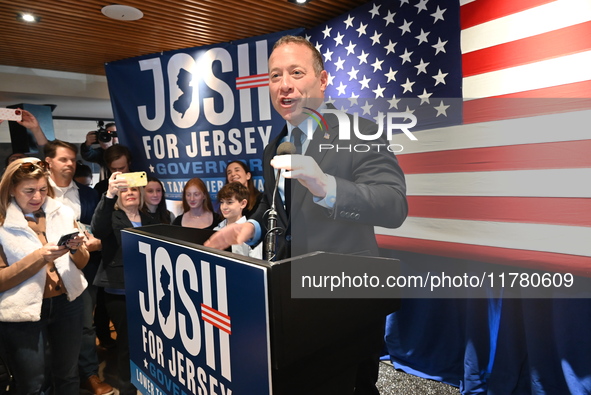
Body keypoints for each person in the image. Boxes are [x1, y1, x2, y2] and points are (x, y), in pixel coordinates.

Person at [205, 35, 408, 394]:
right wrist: (250, 227)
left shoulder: (360, 131)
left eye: (296, 73)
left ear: (322, 80)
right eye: (274, 75)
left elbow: (393, 206)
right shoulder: (275, 146)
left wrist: (326, 185)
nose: (284, 85)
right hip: (290, 305)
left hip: (344, 305)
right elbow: (277, 206)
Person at [0, 158, 89, 394]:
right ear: (10, 189)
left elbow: (81, 262)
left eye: (42, 189)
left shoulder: (61, 212)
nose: (37, 197)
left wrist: (77, 248)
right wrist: (39, 257)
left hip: (67, 303)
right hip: (24, 311)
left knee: (68, 374)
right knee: (32, 382)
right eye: (29, 191)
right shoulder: (2, 222)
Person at [43, 140, 113, 395]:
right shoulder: (37, 192)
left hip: (83, 268)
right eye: (64, 159)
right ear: (48, 162)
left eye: (73, 159)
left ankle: (88, 374)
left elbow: (101, 229)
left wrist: (96, 244)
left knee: (85, 326)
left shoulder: (88, 194)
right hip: (43, 273)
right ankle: (47, 381)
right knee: (44, 332)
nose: (70, 164)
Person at [91, 173, 159, 395]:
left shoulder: (151, 221)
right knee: (128, 344)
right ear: (118, 197)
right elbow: (97, 230)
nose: (130, 193)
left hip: (149, 291)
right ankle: (128, 389)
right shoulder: (111, 218)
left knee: (150, 342)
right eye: (124, 191)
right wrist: (109, 194)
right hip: (119, 291)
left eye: (134, 190)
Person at [213, 182, 262, 259]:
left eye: (229, 202)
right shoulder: (217, 229)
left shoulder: (250, 232)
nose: (224, 207)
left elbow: (257, 262)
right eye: (222, 202)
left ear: (243, 203)